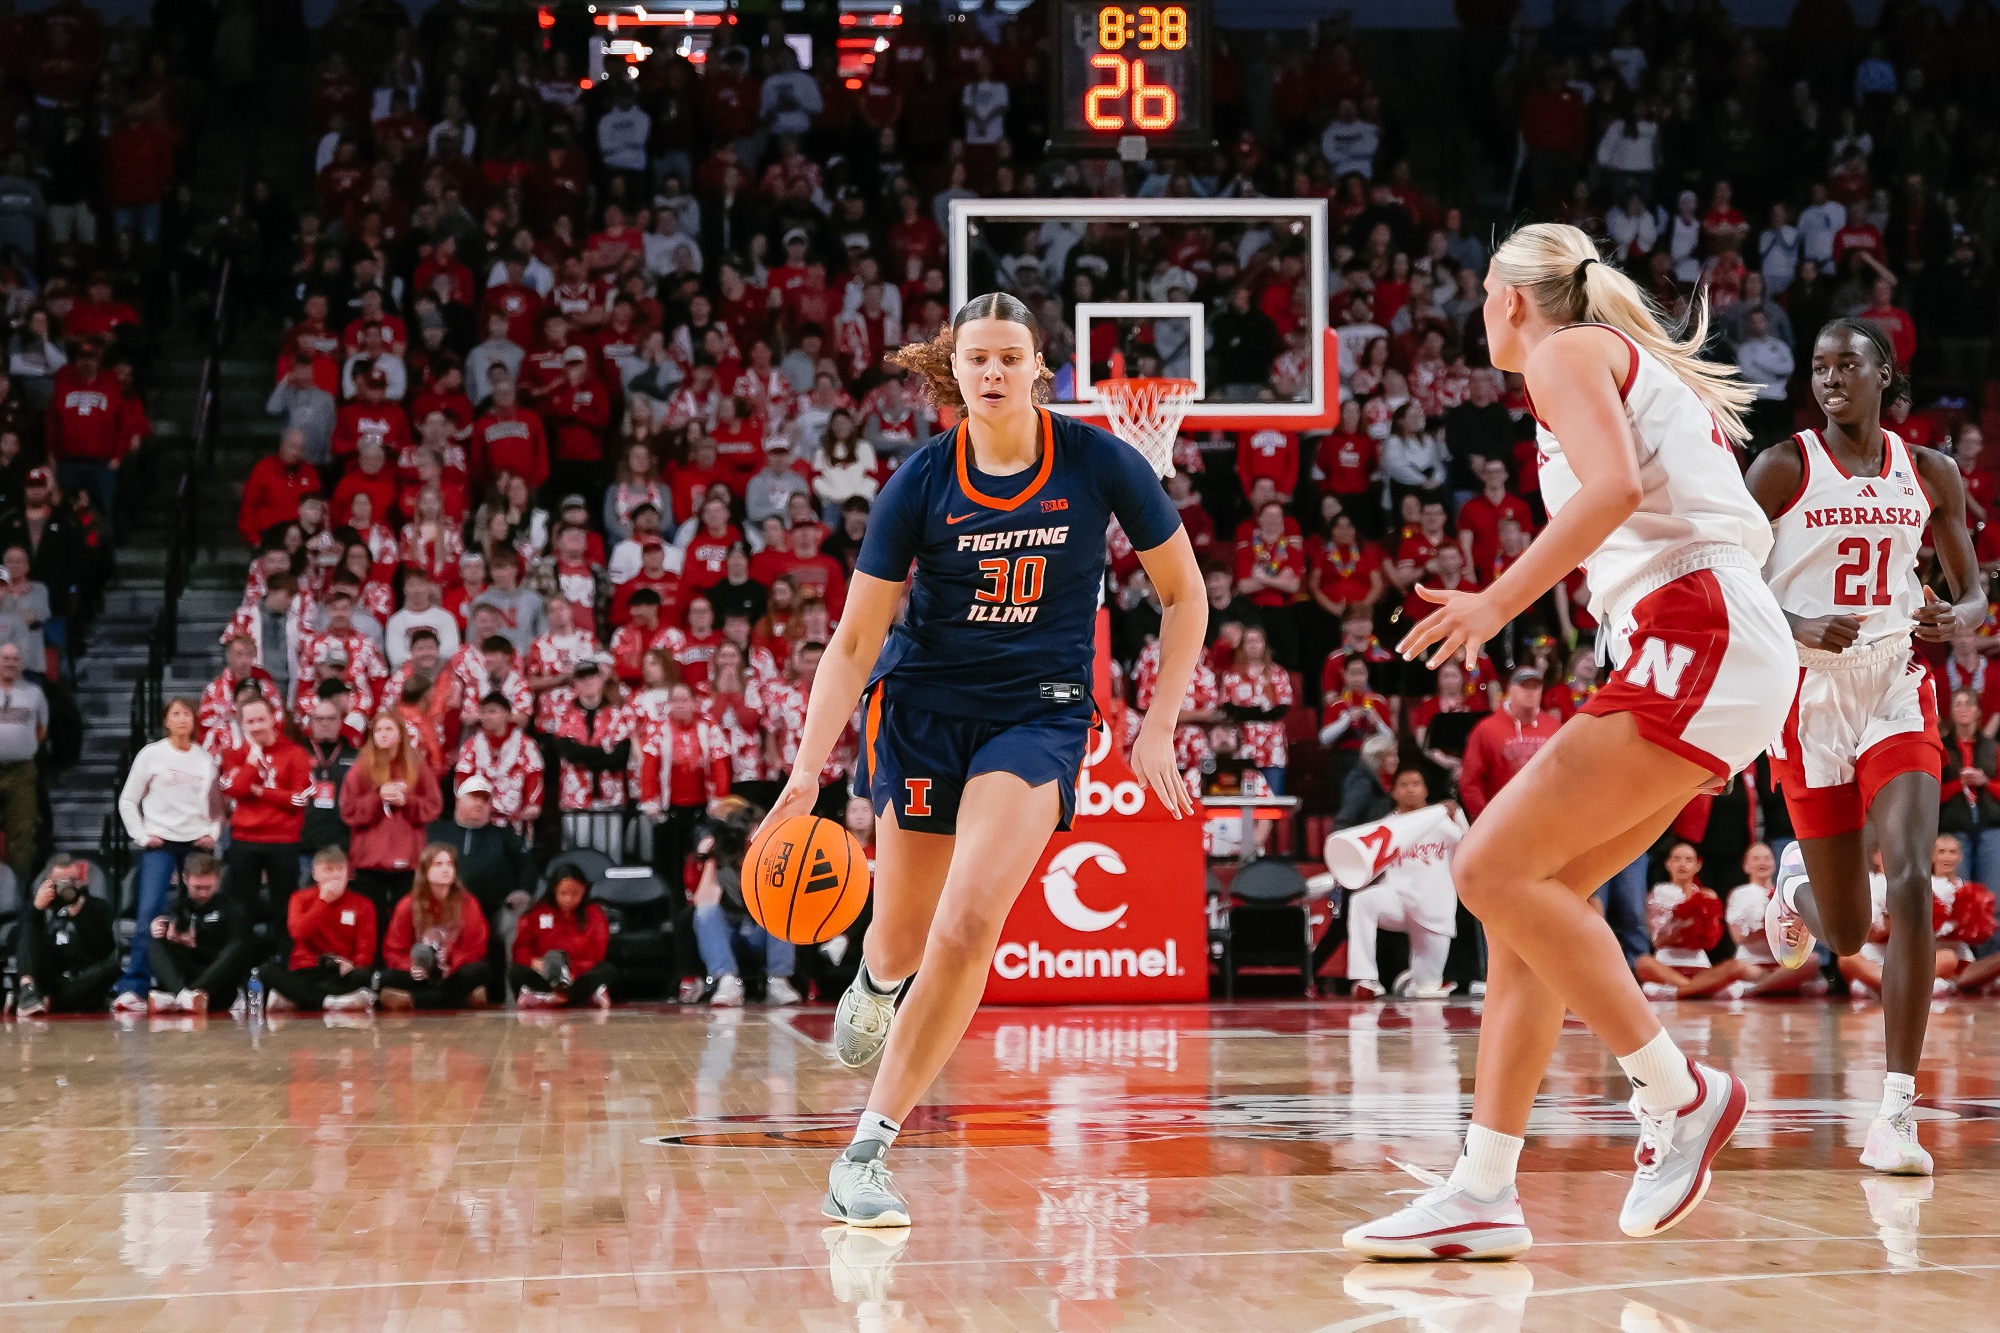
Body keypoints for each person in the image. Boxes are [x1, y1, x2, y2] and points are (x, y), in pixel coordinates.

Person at [1347, 224, 1795, 1260]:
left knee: (1484, 865)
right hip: (1705, 638)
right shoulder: (1598, 362)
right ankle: (1482, 1186)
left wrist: (1494, 604)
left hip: (1700, 630)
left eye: (1480, 297)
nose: (1478, 314)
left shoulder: (1562, 353)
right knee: (1524, 910)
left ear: (1510, 297)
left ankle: (1678, 1091)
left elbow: (1614, 495)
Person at [757, 293, 1204, 1229]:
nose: (993, 372)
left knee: (967, 925)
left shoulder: (1100, 460)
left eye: (1010, 356)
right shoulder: (919, 481)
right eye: (977, 359)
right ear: (951, 370)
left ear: (1039, 366)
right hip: (921, 707)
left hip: (1035, 717)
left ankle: (867, 1151)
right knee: (901, 937)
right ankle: (877, 981)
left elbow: (1183, 593)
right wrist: (806, 774)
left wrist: (1157, 721)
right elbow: (850, 644)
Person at [1746, 316, 1984, 1178]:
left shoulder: (1930, 472)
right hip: (1806, 696)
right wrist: (1798, 619)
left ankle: (1894, 1112)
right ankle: (1798, 886)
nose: (1831, 377)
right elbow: (1724, 579)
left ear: (1885, 373)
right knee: (1847, 933)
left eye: (1848, 363)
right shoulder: (1783, 465)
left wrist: (1960, 614)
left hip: (1893, 683)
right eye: (1819, 366)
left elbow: (1974, 590)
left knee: (1914, 876)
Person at [112, 698, 220, 1009]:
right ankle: (134, 986)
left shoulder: (205, 759)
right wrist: (142, 835)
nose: (182, 718)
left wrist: (211, 833)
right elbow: (128, 800)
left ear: (195, 720)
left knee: (199, 915)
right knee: (149, 914)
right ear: (166, 721)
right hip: (161, 844)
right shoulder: (151, 754)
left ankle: (194, 984)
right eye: (176, 713)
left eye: (187, 713)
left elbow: (218, 806)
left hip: (195, 844)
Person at [1342, 769, 1463, 999]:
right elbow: (1367, 862)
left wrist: (1456, 816)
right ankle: (1366, 978)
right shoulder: (1387, 826)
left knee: (1426, 989)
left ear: (1425, 790)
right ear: (1394, 792)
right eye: (1403, 784)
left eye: (1416, 783)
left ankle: (1410, 980)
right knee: (1362, 901)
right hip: (1396, 900)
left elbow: (1469, 851)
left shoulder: (1443, 823)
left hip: (1434, 908)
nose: (1410, 788)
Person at [216, 695, 314, 937]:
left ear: (274, 718)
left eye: (261, 719)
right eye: (250, 721)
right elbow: (234, 790)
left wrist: (259, 791)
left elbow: (298, 800)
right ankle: (239, 967)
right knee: (240, 910)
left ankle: (284, 968)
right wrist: (252, 760)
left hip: (283, 841)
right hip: (244, 840)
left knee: (285, 910)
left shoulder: (296, 753)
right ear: (241, 724)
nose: (257, 726)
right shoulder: (234, 754)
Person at [690, 795, 800, 1007]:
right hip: (730, 934)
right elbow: (702, 902)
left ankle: (778, 981)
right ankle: (727, 982)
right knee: (705, 912)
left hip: (760, 932)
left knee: (784, 905)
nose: (750, 836)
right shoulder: (724, 854)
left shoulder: (774, 854)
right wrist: (713, 859)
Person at [340, 709, 443, 916]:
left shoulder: (417, 768)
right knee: (371, 918)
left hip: (408, 861)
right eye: (378, 729)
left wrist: (407, 801)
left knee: (405, 917)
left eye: (389, 728)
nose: (383, 734)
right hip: (369, 860)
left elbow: (433, 806)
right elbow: (348, 811)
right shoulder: (360, 769)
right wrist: (378, 798)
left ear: (401, 733)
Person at [264, 847, 378, 1014]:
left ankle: (298, 998)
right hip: (308, 967)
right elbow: (298, 932)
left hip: (342, 971)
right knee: (266, 971)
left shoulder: (363, 905)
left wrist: (353, 964)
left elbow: (366, 949)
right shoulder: (300, 898)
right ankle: (330, 1001)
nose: (335, 876)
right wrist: (322, 902)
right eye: (328, 870)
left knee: (362, 975)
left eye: (340, 870)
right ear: (315, 874)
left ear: (349, 874)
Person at [379, 844, 493, 1010]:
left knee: (480, 970)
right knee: (386, 977)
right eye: (438, 864)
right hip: (421, 974)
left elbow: (475, 948)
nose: (446, 869)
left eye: (449, 864)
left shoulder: (468, 903)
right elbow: (393, 950)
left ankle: (416, 1001)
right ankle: (457, 999)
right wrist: (413, 967)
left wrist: (450, 967)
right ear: (425, 871)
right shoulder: (407, 904)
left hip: (453, 973)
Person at [144, 852, 257, 1014]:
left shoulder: (231, 909)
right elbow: (165, 939)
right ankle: (184, 996)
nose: (203, 893)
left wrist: (195, 945)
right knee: (153, 941)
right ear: (185, 879)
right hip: (183, 977)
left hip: (214, 982)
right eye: (197, 888)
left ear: (218, 880)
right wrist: (161, 930)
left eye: (208, 887)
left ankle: (185, 996)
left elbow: (235, 954)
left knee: (239, 947)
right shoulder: (175, 907)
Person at [12, 855, 118, 1016]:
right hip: (51, 975)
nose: (68, 885)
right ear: (49, 882)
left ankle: (47, 1001)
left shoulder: (98, 907)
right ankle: (28, 990)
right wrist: (37, 910)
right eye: (61, 881)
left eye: (72, 880)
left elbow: (103, 950)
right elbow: (22, 941)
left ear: (81, 881)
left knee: (113, 965)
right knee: (27, 930)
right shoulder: (39, 907)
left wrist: (80, 916)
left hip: (84, 974)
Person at [1456, 667, 1563, 820]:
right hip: (1501, 819)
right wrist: (1484, 817)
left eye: (1535, 686)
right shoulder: (1486, 729)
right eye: (1524, 686)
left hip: (1546, 815)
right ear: (1511, 689)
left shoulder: (1553, 727)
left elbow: (1566, 772)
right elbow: (1470, 780)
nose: (1530, 691)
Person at [511, 861, 615, 1008]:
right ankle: (580, 997)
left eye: (575, 894)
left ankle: (548, 999)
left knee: (607, 970)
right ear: (554, 890)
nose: (568, 899)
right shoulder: (537, 912)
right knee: (516, 973)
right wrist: (534, 962)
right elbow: (521, 948)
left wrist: (572, 971)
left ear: (584, 890)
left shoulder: (594, 914)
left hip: (578, 975)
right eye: (563, 893)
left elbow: (597, 954)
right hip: (545, 974)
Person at [0, 642, 47, 887]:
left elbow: (42, 730)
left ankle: (18, 893)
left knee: (22, 836)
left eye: (14, 659)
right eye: (5, 658)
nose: (9, 663)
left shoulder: (35, 693)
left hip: (22, 772)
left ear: (22, 663)